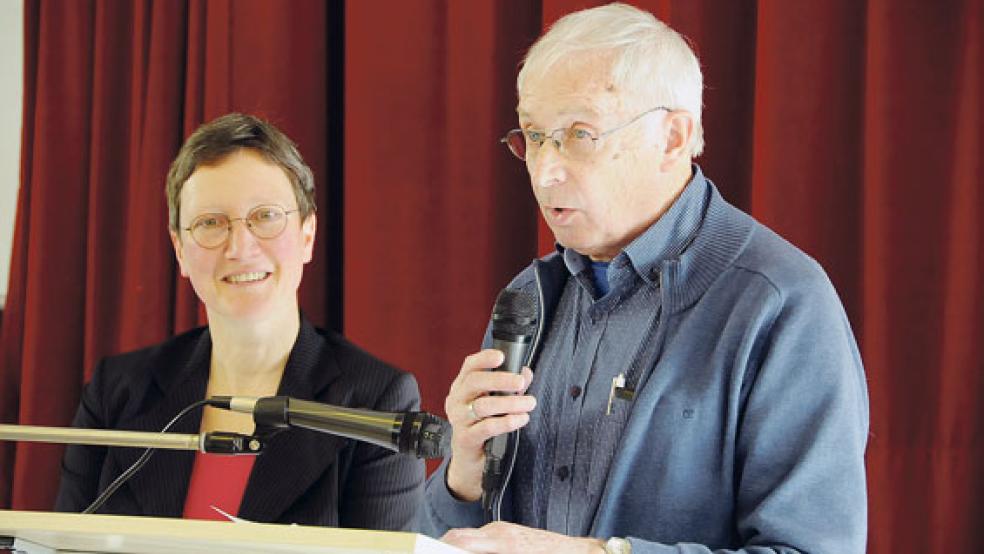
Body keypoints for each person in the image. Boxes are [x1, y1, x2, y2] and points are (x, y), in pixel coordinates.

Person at [423, 4, 869, 553]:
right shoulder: (529, 298)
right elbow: (440, 537)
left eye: (579, 135)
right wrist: (462, 476)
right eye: (535, 137)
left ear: (673, 138)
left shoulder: (780, 303)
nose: (545, 170)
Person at [55, 113, 424, 529]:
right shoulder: (117, 391)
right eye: (211, 223)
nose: (239, 247)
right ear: (179, 249)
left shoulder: (377, 402)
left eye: (265, 216)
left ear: (307, 234)